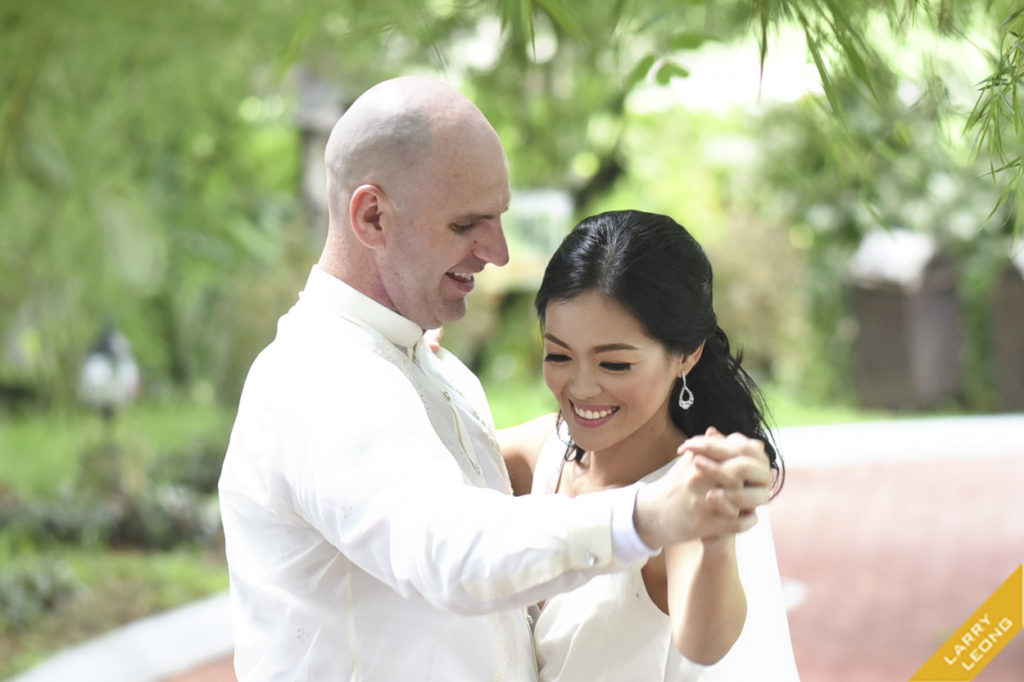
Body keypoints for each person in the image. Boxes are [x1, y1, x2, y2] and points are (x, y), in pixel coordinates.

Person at [218, 77, 773, 680]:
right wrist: (646, 514)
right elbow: (454, 548)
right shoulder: (321, 381)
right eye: (466, 225)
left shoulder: (438, 373)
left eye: (499, 218)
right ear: (373, 216)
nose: (500, 252)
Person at [501, 209, 800, 680]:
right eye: (558, 355)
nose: (580, 388)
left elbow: (705, 643)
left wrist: (718, 541)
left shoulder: (687, 489)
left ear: (687, 354)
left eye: (614, 365)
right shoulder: (545, 453)